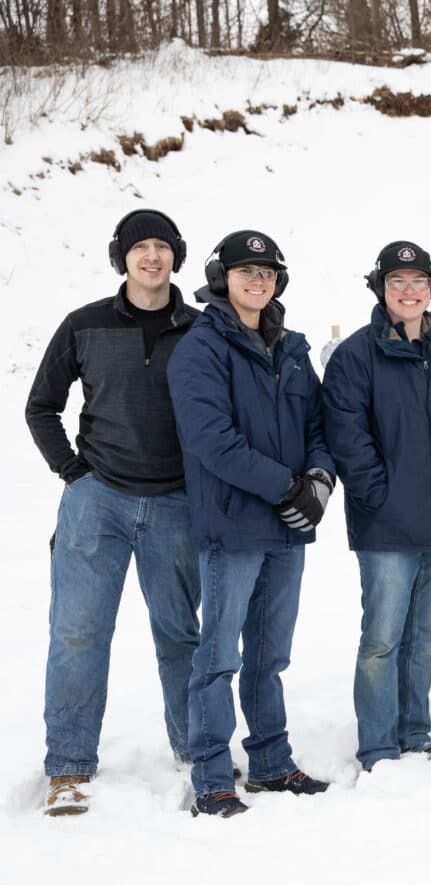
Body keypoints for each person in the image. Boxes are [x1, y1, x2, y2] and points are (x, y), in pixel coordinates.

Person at [26, 209, 202, 817]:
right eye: (139, 247)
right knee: (78, 635)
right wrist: (73, 474)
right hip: (97, 501)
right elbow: (41, 406)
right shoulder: (85, 325)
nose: (151, 256)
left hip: (177, 503)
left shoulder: (201, 329)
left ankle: (196, 752)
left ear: (176, 255)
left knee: (180, 635)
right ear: (121, 257)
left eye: (162, 246)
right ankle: (69, 768)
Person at [168, 230, 336, 817]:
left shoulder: (290, 347)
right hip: (233, 526)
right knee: (218, 657)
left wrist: (317, 477)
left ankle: (269, 762)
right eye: (246, 272)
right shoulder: (200, 347)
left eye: (267, 272)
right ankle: (212, 776)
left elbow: (318, 421)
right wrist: (286, 487)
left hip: (288, 528)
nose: (257, 281)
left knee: (270, 655)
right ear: (222, 278)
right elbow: (212, 440)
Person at [322, 241, 431, 772]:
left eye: (419, 281)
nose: (410, 291)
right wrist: (379, 496)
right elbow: (348, 437)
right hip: (388, 525)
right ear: (381, 289)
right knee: (382, 639)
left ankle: (415, 733)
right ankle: (377, 745)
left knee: (426, 637)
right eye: (398, 282)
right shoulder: (356, 355)